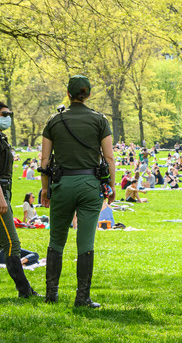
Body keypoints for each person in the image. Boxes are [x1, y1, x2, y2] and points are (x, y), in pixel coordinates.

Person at [40, 75, 116, 308]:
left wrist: (45, 189)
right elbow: (109, 157)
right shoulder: (99, 120)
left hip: (62, 185)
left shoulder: (54, 120)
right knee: (85, 243)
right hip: (90, 185)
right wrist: (111, 185)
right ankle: (82, 297)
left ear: (68, 94)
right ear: (89, 94)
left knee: (56, 240)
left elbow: (44, 159)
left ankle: (51, 295)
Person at [0, 101, 38, 300]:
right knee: (13, 244)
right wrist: (1, 198)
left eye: (9, 113)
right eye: (4, 114)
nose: (8, 117)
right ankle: (24, 291)